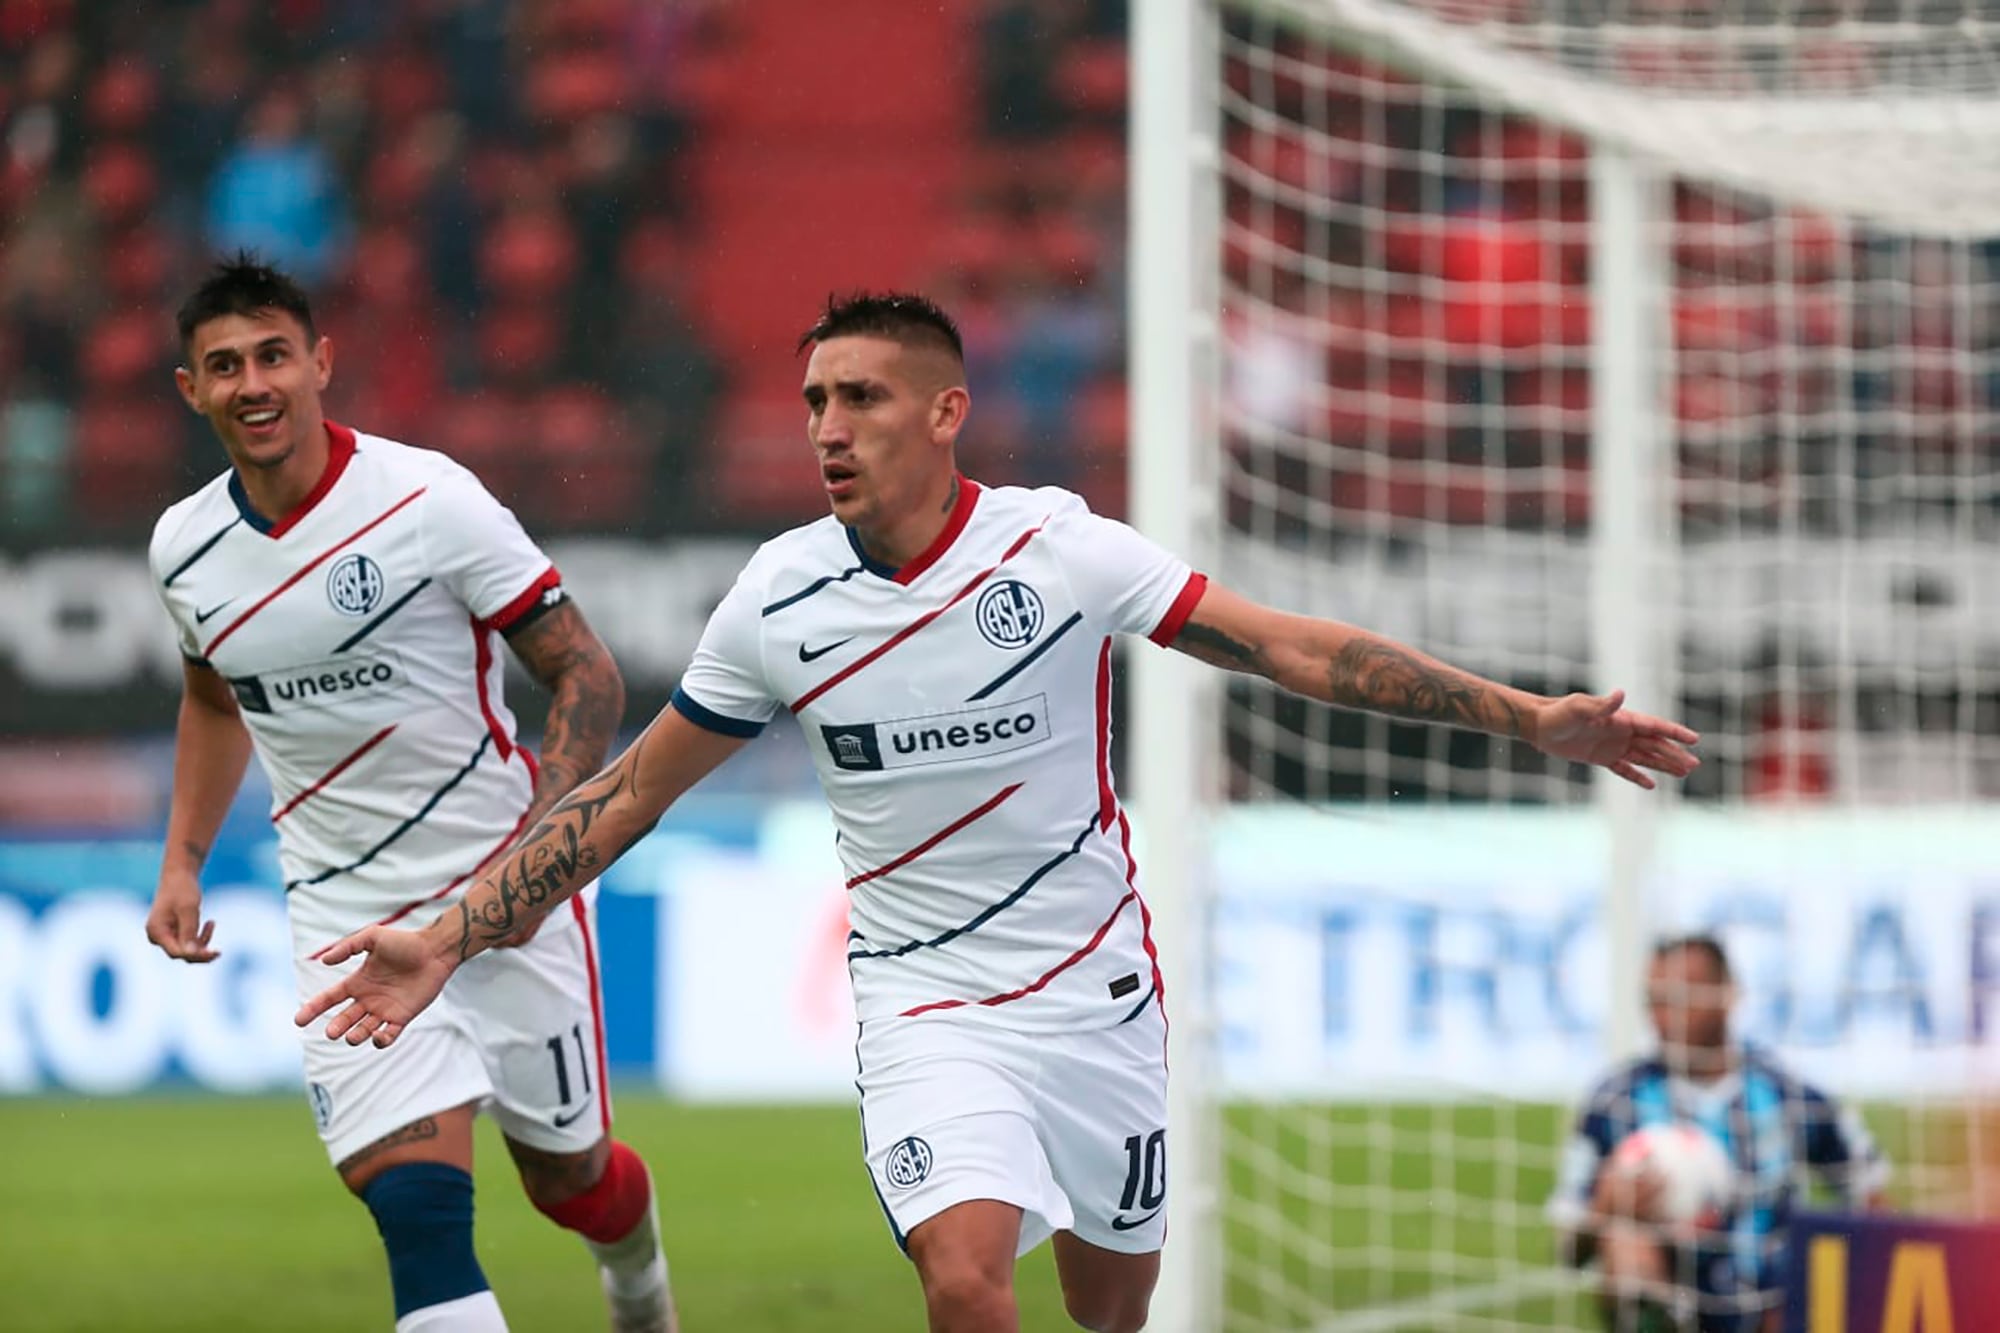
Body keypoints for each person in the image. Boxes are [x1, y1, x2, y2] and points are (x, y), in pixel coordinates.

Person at [295, 291, 1701, 1333]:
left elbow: (1295, 648)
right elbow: (628, 796)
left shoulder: (1062, 549)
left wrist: (1533, 720)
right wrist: (455, 935)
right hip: (926, 1010)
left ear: (945, 411)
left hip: (1097, 1002)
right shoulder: (778, 598)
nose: (829, 429)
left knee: (1109, 1309)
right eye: (813, 404)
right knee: (965, 1282)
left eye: (861, 398)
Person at [146, 256, 676, 1333]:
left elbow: (586, 671)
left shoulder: (427, 500)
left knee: (569, 1181)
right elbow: (213, 699)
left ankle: (637, 1282)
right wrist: (183, 858)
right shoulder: (184, 549)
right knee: (417, 1208)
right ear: (189, 389)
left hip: (498, 899)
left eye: (273, 356)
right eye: (224, 365)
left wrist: (537, 861)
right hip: (343, 920)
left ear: (320, 363)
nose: (253, 382)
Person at [1547, 934, 1890, 1333]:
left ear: (1729, 994)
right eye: (1655, 1001)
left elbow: (1872, 1203)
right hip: (1678, 1297)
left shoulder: (1789, 1094)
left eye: (1682, 997)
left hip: (1775, 1306)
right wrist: (1604, 1208)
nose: (1664, 1016)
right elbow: (1568, 1251)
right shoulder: (1614, 1102)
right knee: (1625, 1245)